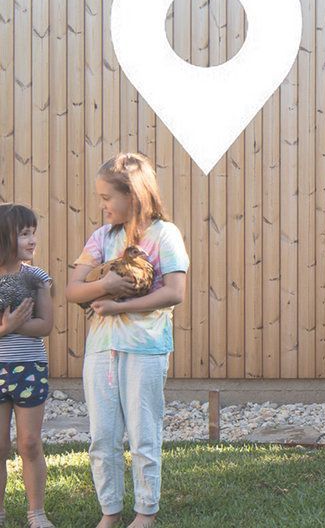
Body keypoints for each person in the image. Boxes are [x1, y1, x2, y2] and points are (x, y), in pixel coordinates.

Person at [66, 153, 188, 528]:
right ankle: (110, 511)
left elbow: (175, 292)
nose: (102, 205)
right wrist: (105, 286)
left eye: (107, 197)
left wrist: (121, 307)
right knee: (102, 437)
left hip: (145, 349)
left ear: (133, 196)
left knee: (143, 433)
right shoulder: (102, 237)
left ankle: (145, 512)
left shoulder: (164, 234)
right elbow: (73, 290)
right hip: (101, 351)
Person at [0, 204, 55, 528]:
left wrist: (11, 325)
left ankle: (36, 513)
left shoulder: (37, 278)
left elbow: (45, 325)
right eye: (24, 234)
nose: (33, 240)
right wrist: (6, 328)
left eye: (33, 232)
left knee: (29, 443)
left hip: (30, 368)